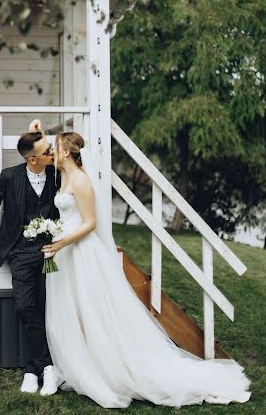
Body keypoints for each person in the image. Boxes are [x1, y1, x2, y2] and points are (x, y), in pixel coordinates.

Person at [41, 130, 251, 409]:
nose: (51, 152)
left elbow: (90, 223)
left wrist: (62, 242)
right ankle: (84, 365)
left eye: (55, 148)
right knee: (74, 310)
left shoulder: (80, 180)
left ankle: (111, 368)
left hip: (80, 251)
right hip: (65, 250)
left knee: (94, 310)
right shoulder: (64, 175)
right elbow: (40, 154)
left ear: (67, 152)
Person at [0, 121, 62, 396]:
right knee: (25, 306)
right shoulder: (9, 177)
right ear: (32, 159)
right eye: (47, 151)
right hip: (20, 251)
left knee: (48, 308)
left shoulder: (57, 174)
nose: (53, 154)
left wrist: (40, 129)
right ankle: (45, 367)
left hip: (52, 250)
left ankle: (33, 369)